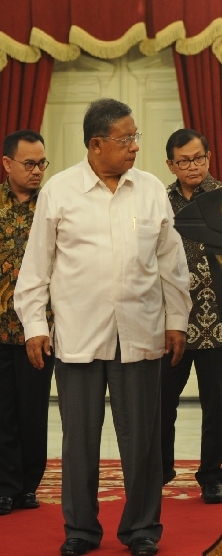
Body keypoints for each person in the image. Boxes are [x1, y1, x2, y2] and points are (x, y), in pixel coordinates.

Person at [14, 98, 191, 556]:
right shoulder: (59, 191)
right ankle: (81, 531)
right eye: (125, 138)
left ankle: (142, 531)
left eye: (135, 137)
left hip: (141, 332)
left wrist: (177, 320)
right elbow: (37, 269)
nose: (135, 146)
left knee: (143, 444)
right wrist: (35, 325)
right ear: (96, 145)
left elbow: (173, 264)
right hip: (78, 336)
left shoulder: (150, 189)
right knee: (79, 443)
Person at [160, 128, 222, 504]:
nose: (194, 166)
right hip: (169, 320)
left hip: (218, 318)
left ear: (209, 157)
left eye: (200, 158)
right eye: (185, 161)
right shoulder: (158, 199)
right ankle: (160, 468)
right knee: (161, 398)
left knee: (217, 404)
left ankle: (211, 476)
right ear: (171, 164)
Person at [0, 130, 54, 516]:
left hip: (40, 330)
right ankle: (6, 485)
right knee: (3, 413)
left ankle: (29, 485)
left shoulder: (52, 205)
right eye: (29, 164)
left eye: (42, 164)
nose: (37, 171)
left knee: (34, 410)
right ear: (7, 164)